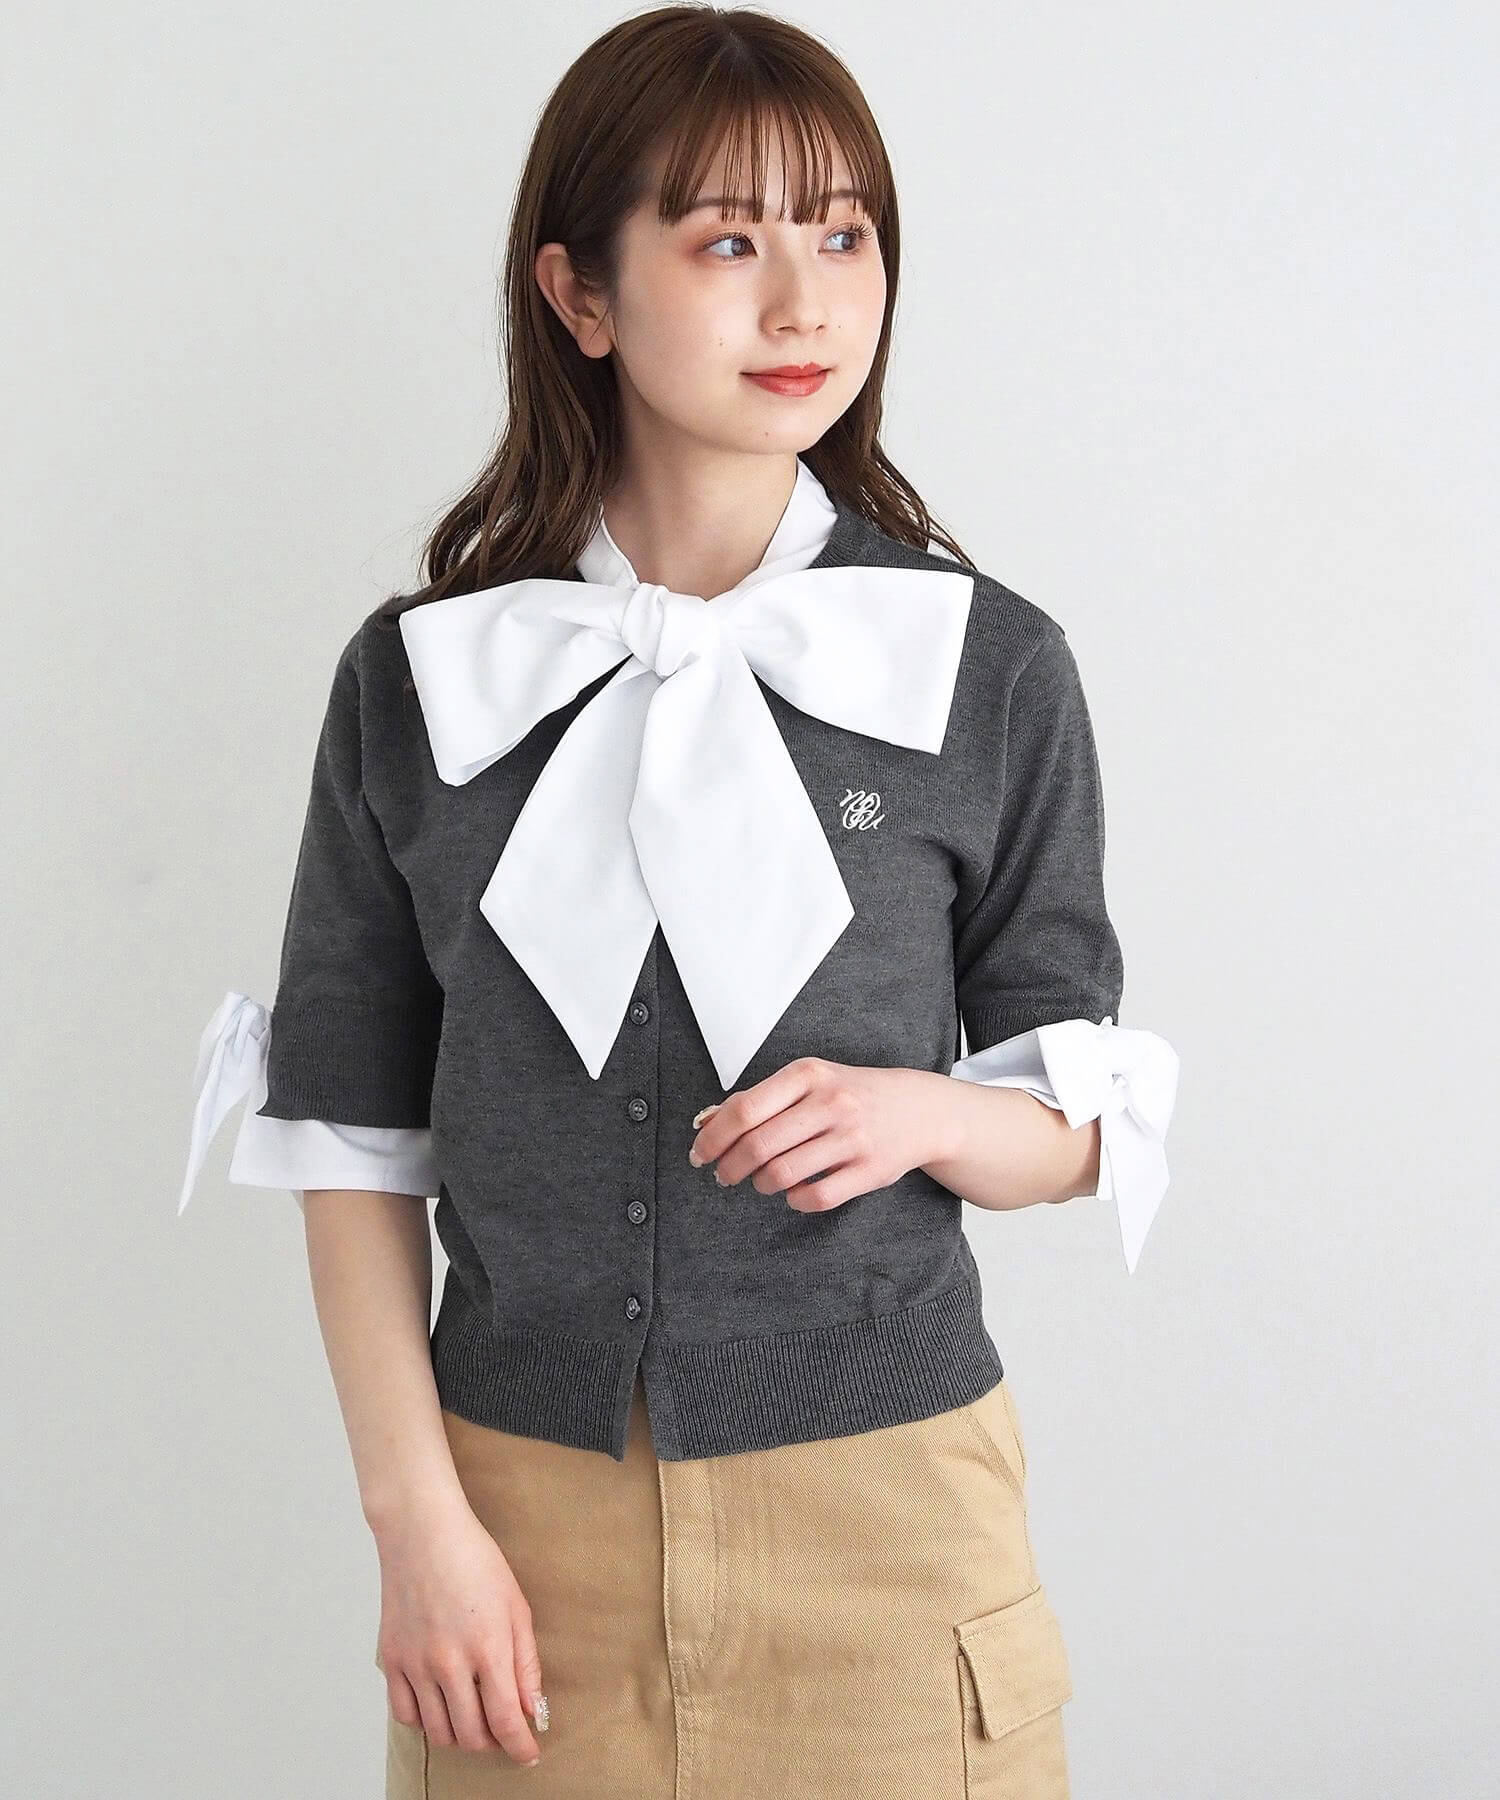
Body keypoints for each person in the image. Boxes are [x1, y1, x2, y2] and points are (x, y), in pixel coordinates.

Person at [178, 7, 1180, 1795]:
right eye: (728, 244)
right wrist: (418, 1526)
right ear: (579, 294)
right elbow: (349, 1135)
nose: (804, 305)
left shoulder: (982, 667)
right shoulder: (428, 683)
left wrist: (921, 1113)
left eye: (845, 237)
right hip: (510, 1547)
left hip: (891, 1523)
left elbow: (1079, 1123)